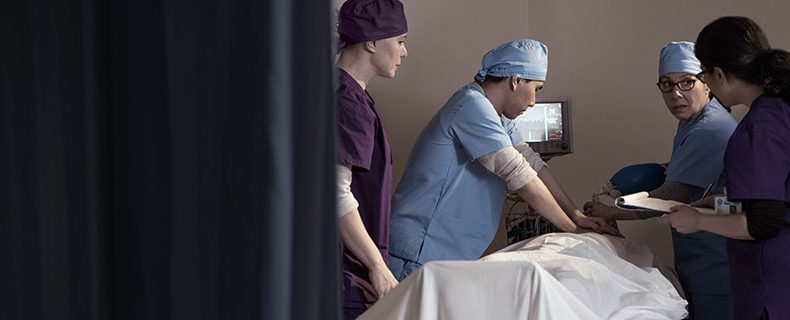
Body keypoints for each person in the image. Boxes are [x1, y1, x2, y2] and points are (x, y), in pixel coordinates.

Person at [387, 39, 610, 281]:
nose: (533, 102)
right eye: (536, 89)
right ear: (515, 80)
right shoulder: (471, 105)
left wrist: (577, 216)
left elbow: (532, 163)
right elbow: (519, 174)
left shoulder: (499, 117)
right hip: (420, 250)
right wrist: (572, 230)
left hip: (449, 251)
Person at [585, 41, 736, 319]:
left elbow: (669, 197)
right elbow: (697, 169)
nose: (675, 93)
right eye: (666, 84)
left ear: (707, 83)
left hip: (717, 264)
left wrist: (609, 211)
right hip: (701, 257)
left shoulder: (709, 129)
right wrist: (665, 167)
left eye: (686, 82)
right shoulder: (693, 122)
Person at [658, 16, 790, 320]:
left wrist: (698, 221)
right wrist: (722, 205)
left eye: (698, 76)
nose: (676, 93)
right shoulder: (779, 109)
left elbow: (764, 222)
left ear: (717, 74)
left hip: (772, 284)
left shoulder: (757, 130)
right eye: (666, 84)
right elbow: (773, 202)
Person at [334, 0, 408, 318]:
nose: (404, 52)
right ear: (372, 42)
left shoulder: (350, 94)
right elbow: (335, 193)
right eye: (400, 41)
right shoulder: (347, 101)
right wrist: (376, 265)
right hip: (345, 272)